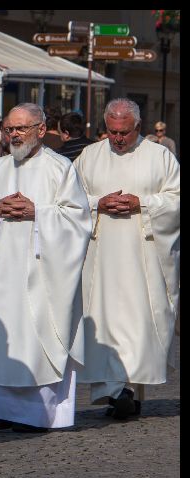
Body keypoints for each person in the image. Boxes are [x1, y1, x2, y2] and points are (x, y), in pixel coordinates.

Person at [0, 103, 92, 433]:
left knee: (38, 338)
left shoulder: (61, 168)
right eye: (9, 129)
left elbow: (79, 220)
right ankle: (7, 410)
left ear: (41, 130)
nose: (14, 135)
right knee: (5, 338)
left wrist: (38, 212)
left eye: (21, 129)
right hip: (4, 268)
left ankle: (40, 413)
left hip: (44, 272)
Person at [74, 98, 180, 420]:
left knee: (138, 320)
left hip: (143, 254)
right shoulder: (89, 157)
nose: (118, 139)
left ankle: (130, 389)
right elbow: (71, 200)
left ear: (138, 127)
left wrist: (143, 203)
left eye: (125, 133)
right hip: (101, 254)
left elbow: (175, 199)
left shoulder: (160, 156)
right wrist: (97, 203)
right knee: (103, 318)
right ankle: (113, 389)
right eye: (112, 132)